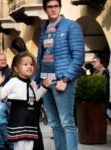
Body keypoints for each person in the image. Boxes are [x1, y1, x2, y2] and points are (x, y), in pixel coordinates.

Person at [35, 1, 85, 149]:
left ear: (60, 7)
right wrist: (37, 80)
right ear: (45, 9)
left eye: (56, 6)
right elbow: (40, 57)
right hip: (46, 82)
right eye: (50, 7)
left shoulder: (71, 26)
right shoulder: (43, 28)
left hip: (62, 81)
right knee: (55, 124)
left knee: (67, 123)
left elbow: (78, 58)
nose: (53, 9)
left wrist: (65, 78)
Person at [0, 52, 54, 150]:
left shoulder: (32, 83)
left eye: (31, 64)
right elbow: (0, 96)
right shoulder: (13, 81)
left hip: (30, 122)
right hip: (19, 122)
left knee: (30, 147)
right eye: (25, 64)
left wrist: (44, 87)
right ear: (17, 68)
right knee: (20, 147)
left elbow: (36, 98)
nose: (29, 66)